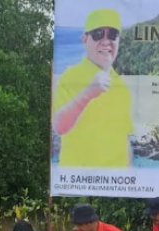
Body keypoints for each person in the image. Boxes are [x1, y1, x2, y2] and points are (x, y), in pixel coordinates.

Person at [53, 9, 133, 168]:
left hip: (116, 184)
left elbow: (125, 139)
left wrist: (131, 178)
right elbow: (59, 127)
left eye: (112, 35)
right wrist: (87, 94)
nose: (106, 42)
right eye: (98, 34)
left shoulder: (121, 85)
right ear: (85, 39)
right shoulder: (70, 78)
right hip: (79, 185)